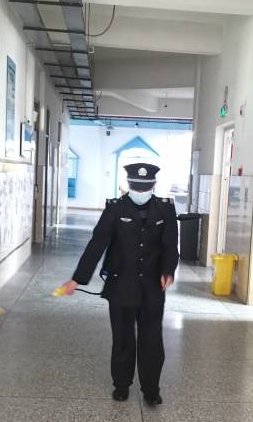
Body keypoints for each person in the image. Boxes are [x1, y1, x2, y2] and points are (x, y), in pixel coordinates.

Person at [60, 162, 179, 405]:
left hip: (153, 287)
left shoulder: (165, 208)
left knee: (151, 340)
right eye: (136, 186)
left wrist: (168, 270)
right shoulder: (115, 208)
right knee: (123, 338)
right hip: (120, 285)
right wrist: (78, 278)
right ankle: (121, 384)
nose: (140, 191)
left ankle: (151, 389)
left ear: (153, 185)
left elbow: (170, 244)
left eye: (144, 187)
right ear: (129, 185)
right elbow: (97, 244)